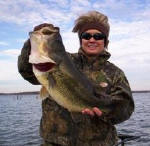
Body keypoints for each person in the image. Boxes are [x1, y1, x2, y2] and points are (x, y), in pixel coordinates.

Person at [18, 11, 134, 146]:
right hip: (54, 143)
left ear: (105, 41)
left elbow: (125, 108)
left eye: (98, 36)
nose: (92, 40)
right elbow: (26, 71)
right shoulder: (62, 60)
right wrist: (34, 41)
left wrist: (104, 112)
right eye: (86, 35)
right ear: (81, 39)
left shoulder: (116, 73)